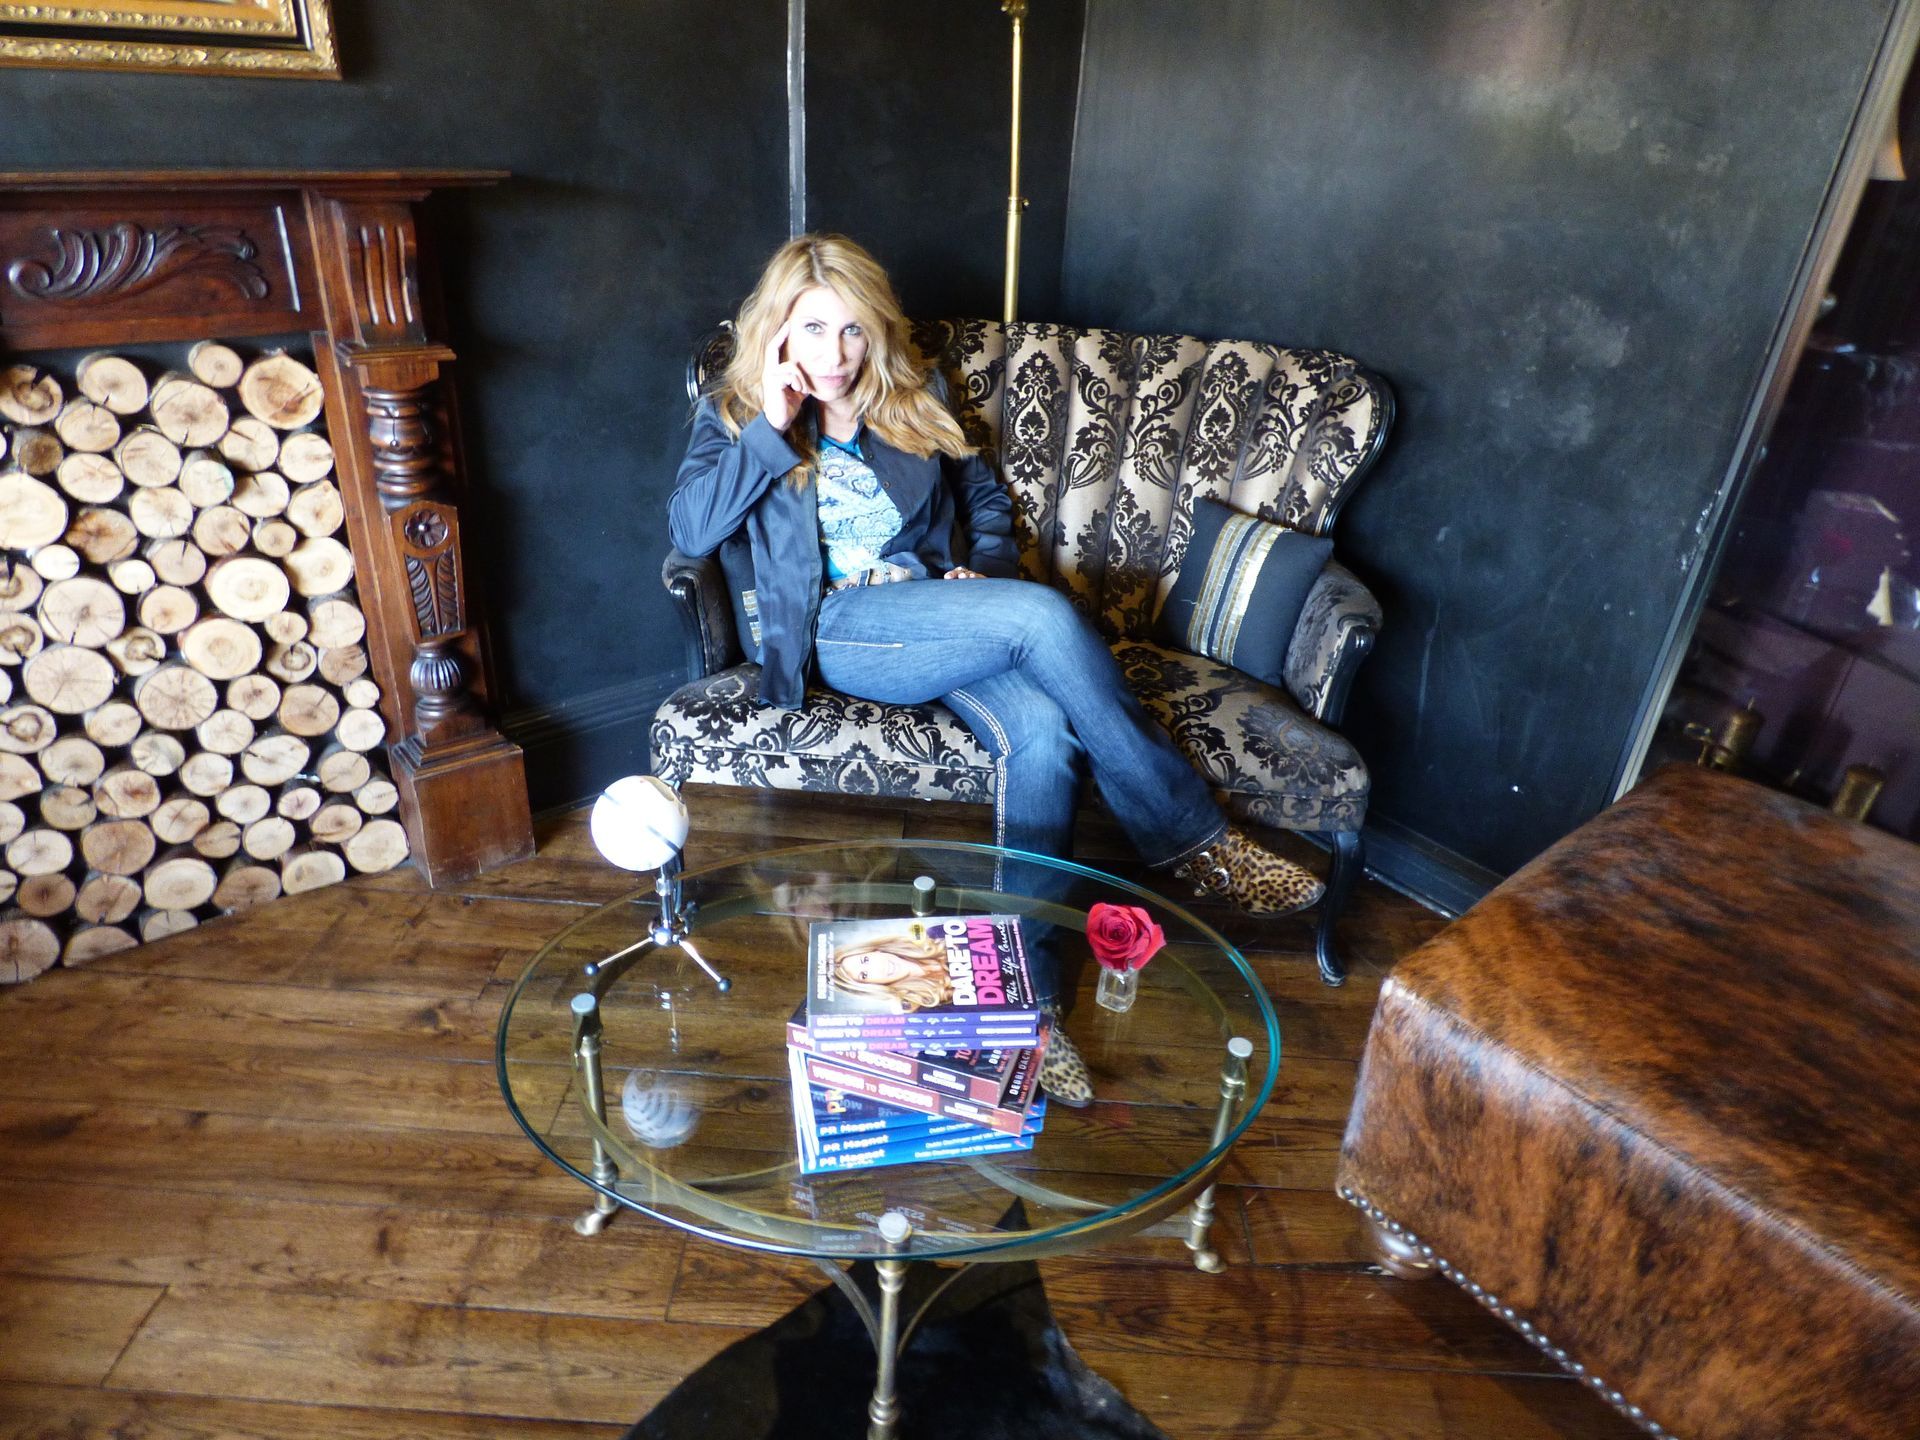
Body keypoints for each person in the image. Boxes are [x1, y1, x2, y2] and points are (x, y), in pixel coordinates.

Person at [669, 233, 1325, 922]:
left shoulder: (914, 394)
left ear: (875, 330)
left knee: (1042, 732)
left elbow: (982, 499)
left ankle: (1026, 973)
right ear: (777, 328)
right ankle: (1194, 837)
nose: (835, 355)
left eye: (852, 329)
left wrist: (977, 574)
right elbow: (691, 532)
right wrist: (772, 427)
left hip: (931, 613)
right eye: (813, 328)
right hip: (828, 626)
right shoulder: (736, 412)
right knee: (1040, 616)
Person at [830, 931, 953, 1013]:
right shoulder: (922, 1008)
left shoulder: (935, 935)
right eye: (864, 975)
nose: (878, 967)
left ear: (875, 950)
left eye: (865, 960)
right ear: (872, 986)